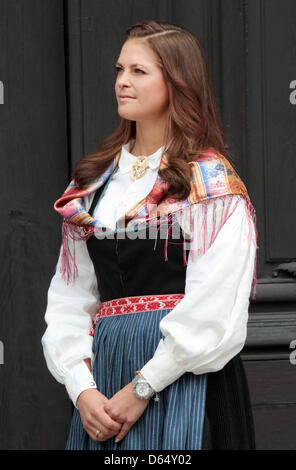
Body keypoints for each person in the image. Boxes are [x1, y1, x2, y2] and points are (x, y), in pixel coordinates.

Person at [41, 20, 258, 450]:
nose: (123, 81)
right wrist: (82, 388)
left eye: (139, 72)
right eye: (120, 70)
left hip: (183, 377)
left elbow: (213, 304)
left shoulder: (208, 183)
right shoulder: (94, 183)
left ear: (177, 82)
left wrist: (142, 387)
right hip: (104, 383)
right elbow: (71, 298)